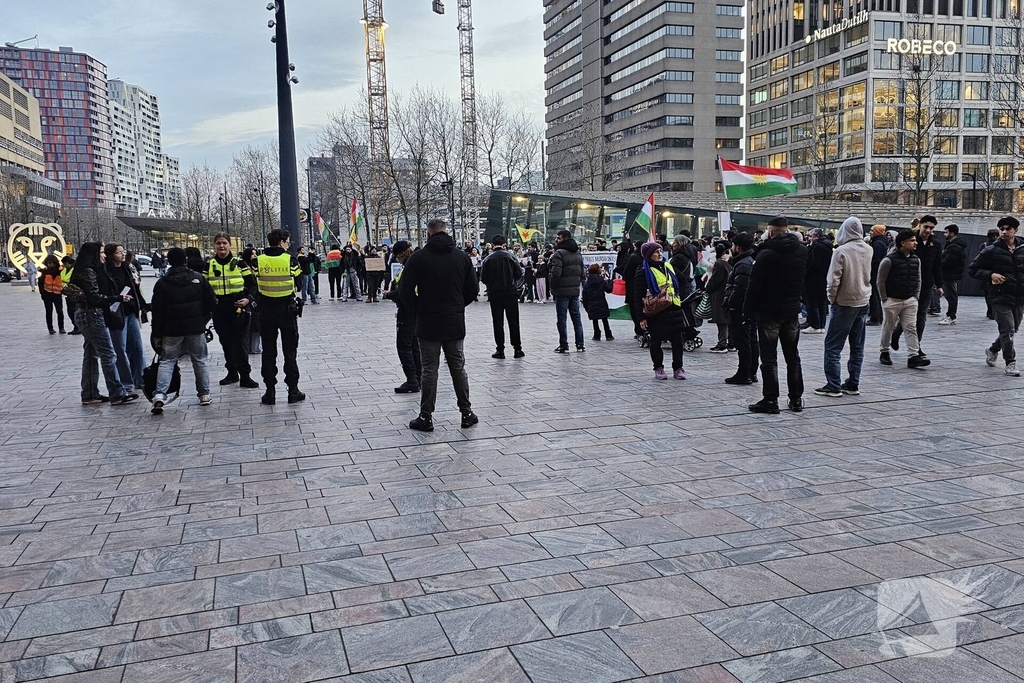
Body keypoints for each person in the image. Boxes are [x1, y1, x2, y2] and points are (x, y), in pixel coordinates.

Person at [398, 218, 478, 431]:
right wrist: (457, 305)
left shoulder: (418, 258)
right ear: (447, 232)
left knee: (429, 370)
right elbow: (473, 290)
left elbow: (405, 290)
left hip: (428, 322)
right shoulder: (462, 257)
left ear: (428, 234)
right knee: (458, 367)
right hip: (454, 321)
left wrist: (419, 307)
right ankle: (466, 413)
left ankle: (425, 417)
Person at [744, 217, 806, 414]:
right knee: (792, 356)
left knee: (769, 358)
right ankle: (796, 398)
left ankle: (771, 399)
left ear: (770, 232)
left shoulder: (767, 254)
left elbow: (754, 287)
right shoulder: (802, 251)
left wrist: (747, 311)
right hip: (791, 310)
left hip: (769, 311)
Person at [150, 248, 218, 413]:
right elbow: (212, 302)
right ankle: (204, 394)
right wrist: (202, 320)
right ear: (185, 260)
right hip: (195, 328)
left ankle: (160, 394)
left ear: (169, 261)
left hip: (171, 329)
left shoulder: (163, 283)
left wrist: (157, 333)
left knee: (167, 361)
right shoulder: (198, 278)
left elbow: (157, 311)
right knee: (200, 360)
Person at [69, 242, 136, 405]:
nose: (104, 255)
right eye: (100, 252)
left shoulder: (85, 270)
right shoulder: (89, 272)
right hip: (91, 314)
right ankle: (117, 393)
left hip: (85, 313)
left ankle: (90, 393)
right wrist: (117, 298)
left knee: (91, 354)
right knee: (108, 353)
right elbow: (95, 297)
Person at [815, 217, 872, 397]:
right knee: (857, 345)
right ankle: (853, 383)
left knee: (833, 346)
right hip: (863, 300)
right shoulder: (868, 249)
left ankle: (833, 385)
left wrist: (832, 299)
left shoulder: (841, 251)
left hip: (844, 302)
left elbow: (833, 280)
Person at [254, 229, 306, 405]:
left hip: (266, 311)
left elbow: (253, 285)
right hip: (287, 311)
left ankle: (270, 392)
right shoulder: (290, 260)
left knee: (268, 352)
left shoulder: (257, 261)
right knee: (290, 352)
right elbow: (299, 284)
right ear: (282, 242)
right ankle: (293, 391)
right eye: (287, 241)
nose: (288, 244)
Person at [969, 216, 1024, 377]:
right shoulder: (991, 250)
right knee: (1007, 329)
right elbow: (973, 269)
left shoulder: (1022, 248)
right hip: (999, 296)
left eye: (1008, 229)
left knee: (1013, 329)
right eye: (1002, 229)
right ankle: (1010, 362)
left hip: (1019, 296)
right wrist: (991, 275)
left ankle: (993, 349)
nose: (1004, 232)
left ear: (1016, 230)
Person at [207, 233, 259, 389]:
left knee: (241, 342)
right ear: (215, 246)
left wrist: (249, 299)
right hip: (219, 309)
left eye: (224, 243)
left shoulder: (240, 264)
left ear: (230, 245)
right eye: (218, 243)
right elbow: (203, 287)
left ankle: (245, 375)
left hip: (239, 308)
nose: (221, 246)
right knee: (226, 343)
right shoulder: (209, 265)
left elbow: (253, 285)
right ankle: (232, 373)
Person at [633, 242, 686, 380]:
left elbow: (683, 280)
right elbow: (637, 296)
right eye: (656, 252)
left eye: (661, 251)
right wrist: (641, 317)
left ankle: (678, 368)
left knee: (677, 341)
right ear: (649, 255)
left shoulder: (668, 266)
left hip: (674, 307)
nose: (660, 254)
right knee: (656, 342)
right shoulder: (643, 271)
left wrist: (681, 296)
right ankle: (658, 368)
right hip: (656, 311)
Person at [878, 230, 930, 369]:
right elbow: (880, 280)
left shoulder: (916, 260)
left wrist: (915, 297)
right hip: (892, 299)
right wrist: (885, 299)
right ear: (903, 243)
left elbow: (918, 279)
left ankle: (913, 356)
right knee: (888, 327)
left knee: (911, 327)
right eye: (912, 240)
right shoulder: (889, 260)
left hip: (910, 300)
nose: (915, 243)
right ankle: (884, 351)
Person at [893, 216, 942, 354]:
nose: (928, 230)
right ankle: (896, 333)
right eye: (925, 226)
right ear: (920, 225)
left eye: (931, 228)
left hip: (926, 285)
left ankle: (917, 346)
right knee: (907, 314)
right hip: (909, 284)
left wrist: (939, 285)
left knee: (921, 315)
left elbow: (937, 266)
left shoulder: (936, 244)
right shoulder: (911, 241)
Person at [105, 242, 147, 391]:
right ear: (111, 255)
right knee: (120, 350)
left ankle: (141, 379)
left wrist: (141, 305)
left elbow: (135, 288)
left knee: (136, 347)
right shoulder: (105, 272)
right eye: (119, 253)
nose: (122, 254)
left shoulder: (127, 268)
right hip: (116, 314)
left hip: (131, 312)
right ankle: (126, 383)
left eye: (123, 252)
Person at [383, 241, 421, 393]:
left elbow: (404, 291)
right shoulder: (413, 265)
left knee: (404, 347)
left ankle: (412, 380)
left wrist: (389, 294)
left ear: (401, 254)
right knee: (413, 346)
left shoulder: (409, 267)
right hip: (414, 310)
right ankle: (419, 377)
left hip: (408, 310)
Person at [480, 234, 525, 359]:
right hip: (510, 292)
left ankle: (500, 349)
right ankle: (517, 349)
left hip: (495, 293)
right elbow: (519, 273)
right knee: (513, 321)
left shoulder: (488, 259)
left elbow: (483, 278)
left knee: (497, 322)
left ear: (493, 244)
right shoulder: (511, 257)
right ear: (504, 244)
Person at [724, 232, 758, 384]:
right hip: (749, 307)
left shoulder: (743, 263)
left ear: (737, 247)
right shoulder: (749, 260)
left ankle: (744, 373)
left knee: (743, 340)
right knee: (751, 339)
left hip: (741, 308)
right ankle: (751, 371)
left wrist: (731, 303)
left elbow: (740, 288)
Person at [549, 229, 586, 353]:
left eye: (558, 238)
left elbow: (556, 273)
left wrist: (552, 286)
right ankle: (580, 344)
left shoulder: (559, 253)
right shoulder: (577, 252)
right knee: (576, 318)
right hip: (574, 290)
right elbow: (582, 273)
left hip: (561, 291)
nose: (556, 240)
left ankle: (564, 345)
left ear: (564, 238)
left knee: (562, 319)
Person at [704, 242, 733, 352]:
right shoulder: (732, 262)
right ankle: (731, 343)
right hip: (728, 292)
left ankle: (722, 344)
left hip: (719, 294)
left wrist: (708, 290)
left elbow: (715, 280)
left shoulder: (719, 264)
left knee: (721, 320)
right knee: (728, 319)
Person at [803, 228, 832, 334]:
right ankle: (821, 325)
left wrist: (806, 273)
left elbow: (814, 263)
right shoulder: (827, 245)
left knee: (813, 303)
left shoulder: (818, 246)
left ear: (817, 236)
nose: (809, 238)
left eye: (811, 236)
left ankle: (815, 325)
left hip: (815, 279)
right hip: (823, 278)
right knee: (822, 303)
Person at [938, 224, 967, 326]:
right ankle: (950, 315)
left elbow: (948, 262)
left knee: (951, 296)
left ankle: (951, 316)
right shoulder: (951, 245)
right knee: (950, 295)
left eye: (946, 232)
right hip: (950, 274)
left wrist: (938, 265)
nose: (944, 234)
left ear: (952, 233)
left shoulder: (954, 247)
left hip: (950, 274)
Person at [582, 264, 614, 341]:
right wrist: (610, 281)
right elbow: (609, 290)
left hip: (592, 304)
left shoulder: (587, 283)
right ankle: (608, 334)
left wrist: (587, 307)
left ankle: (597, 334)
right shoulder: (601, 280)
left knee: (595, 320)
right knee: (605, 320)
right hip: (602, 303)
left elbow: (584, 297)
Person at [39, 255, 66, 334]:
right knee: (49, 312)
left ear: (55, 263)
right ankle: (50, 328)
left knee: (60, 312)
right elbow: (40, 283)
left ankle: (61, 328)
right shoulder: (44, 272)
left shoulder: (60, 271)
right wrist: (42, 293)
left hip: (57, 294)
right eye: (48, 263)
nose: (50, 265)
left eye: (52, 263)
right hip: (47, 294)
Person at [868, 225, 889, 326]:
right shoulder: (882, 242)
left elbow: (876, 260)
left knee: (874, 295)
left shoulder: (877, 244)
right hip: (879, 272)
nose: (870, 232)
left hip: (876, 273)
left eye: (872, 230)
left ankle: (875, 317)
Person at [981, 228, 1000, 319]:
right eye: (993, 236)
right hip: (987, 273)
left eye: (996, 235)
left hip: (997, 272)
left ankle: (992, 311)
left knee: (994, 293)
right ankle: (990, 310)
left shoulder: (1001, 245)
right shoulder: (984, 245)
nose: (995, 237)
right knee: (988, 293)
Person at [61, 255, 81, 335]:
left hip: (74, 294)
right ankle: (75, 327)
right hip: (67, 294)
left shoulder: (74, 270)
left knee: (73, 311)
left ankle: (78, 327)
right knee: (70, 311)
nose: (63, 265)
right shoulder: (64, 270)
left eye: (64, 264)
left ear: (67, 263)